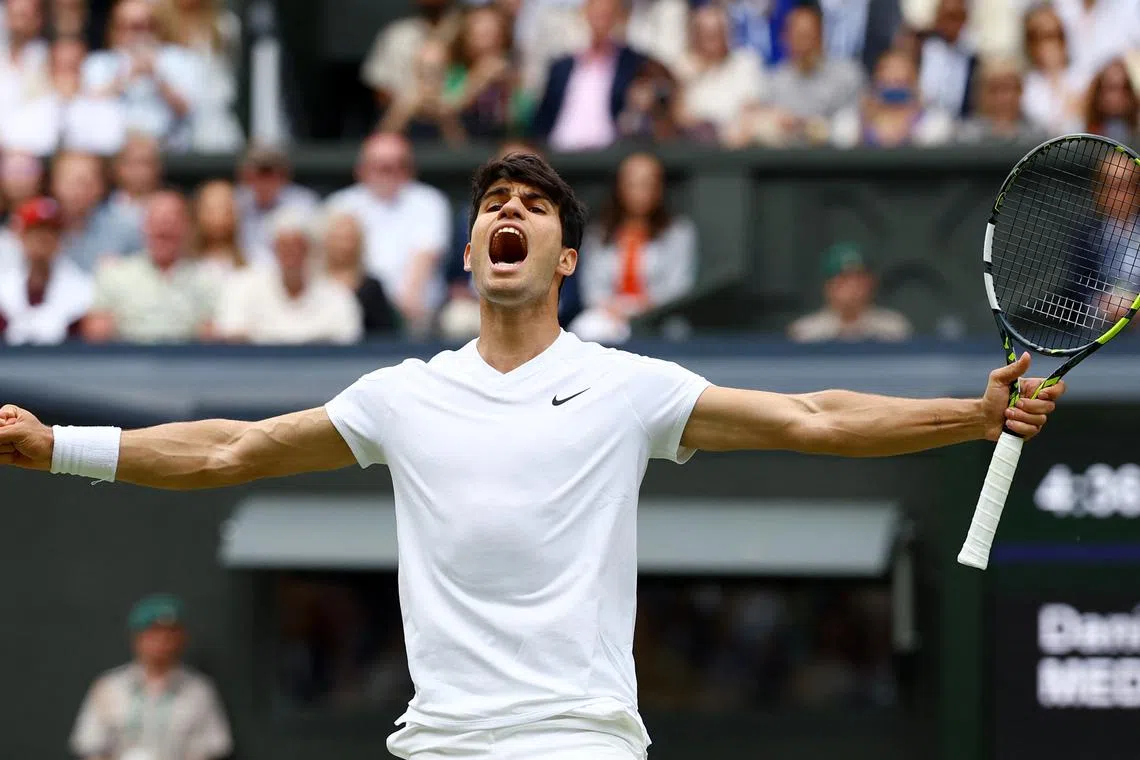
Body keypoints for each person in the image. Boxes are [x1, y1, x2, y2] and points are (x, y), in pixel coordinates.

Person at [0, 153, 1064, 760]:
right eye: (492, 208)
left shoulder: (628, 385)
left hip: (580, 742)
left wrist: (968, 419)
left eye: (536, 206)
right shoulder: (401, 395)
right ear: (470, 253)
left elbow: (816, 417)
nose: (510, 212)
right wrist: (59, 447)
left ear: (565, 255)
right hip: (441, 742)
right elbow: (229, 447)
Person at [70, 594, 233, 760]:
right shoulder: (108, 687)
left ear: (182, 638)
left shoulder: (200, 690)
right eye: (154, 633)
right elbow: (90, 746)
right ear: (137, 638)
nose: (163, 641)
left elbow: (211, 748)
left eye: (171, 634)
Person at [326, 132, 450, 335]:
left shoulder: (428, 201)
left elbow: (424, 259)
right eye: (379, 166)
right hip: (353, 304)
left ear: (409, 169)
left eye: (396, 165)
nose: (387, 172)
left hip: (413, 312)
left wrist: (402, 312)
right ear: (361, 169)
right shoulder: (341, 204)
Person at [569, 151, 696, 344]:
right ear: (619, 186)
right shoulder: (598, 233)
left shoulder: (678, 232)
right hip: (609, 315)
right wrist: (614, 310)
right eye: (633, 183)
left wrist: (645, 308)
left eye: (647, 183)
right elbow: (591, 288)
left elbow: (679, 286)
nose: (640, 191)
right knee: (584, 330)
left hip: (658, 317)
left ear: (659, 187)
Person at [214, 208, 363, 345]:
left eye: (298, 246)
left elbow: (347, 339)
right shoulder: (242, 287)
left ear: (309, 249)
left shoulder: (337, 295)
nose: (291, 254)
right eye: (284, 247)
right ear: (273, 249)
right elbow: (231, 333)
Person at [82, 190, 214, 344]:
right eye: (157, 221)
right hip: (127, 361)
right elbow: (97, 334)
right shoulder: (114, 274)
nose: (164, 227)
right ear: (144, 226)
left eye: (171, 221)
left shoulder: (206, 279)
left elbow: (212, 338)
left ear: (186, 227)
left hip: (187, 362)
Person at [728, 3, 863, 148]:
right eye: (798, 36)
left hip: (834, 161)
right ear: (786, 38)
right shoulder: (774, 80)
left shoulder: (847, 75)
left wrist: (805, 125)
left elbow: (850, 128)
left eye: (809, 36)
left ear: (822, 37)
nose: (804, 45)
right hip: (785, 161)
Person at [81, 0, 203, 151]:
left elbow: (189, 109)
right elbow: (86, 106)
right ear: (115, 29)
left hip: (168, 149)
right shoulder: (98, 62)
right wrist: (125, 77)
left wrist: (157, 76)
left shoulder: (178, 59)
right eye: (129, 26)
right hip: (114, 150)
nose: (137, 34)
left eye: (143, 26)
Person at [532, 0, 646, 152]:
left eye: (607, 15)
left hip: (609, 154)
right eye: (596, 15)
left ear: (619, 18)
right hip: (559, 151)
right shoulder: (561, 66)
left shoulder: (633, 64)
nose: (601, 22)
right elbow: (544, 115)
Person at [0, 196, 92, 344]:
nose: (41, 240)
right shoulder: (4, 285)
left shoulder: (82, 287)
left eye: (50, 232)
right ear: (21, 236)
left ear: (61, 238)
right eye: (34, 232)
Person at [787, 242, 912, 343]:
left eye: (859, 278)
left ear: (871, 283)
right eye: (843, 279)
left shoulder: (894, 328)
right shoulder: (805, 332)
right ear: (828, 286)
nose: (852, 286)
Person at [831, 48, 954, 148]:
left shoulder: (935, 123)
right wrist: (865, 123)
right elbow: (843, 140)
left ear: (915, 84)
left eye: (900, 82)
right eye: (887, 82)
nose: (893, 87)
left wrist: (907, 127)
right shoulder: (850, 121)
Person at [52, 151, 143, 273]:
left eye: (83, 183)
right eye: (68, 182)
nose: (75, 191)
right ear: (54, 184)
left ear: (100, 186)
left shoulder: (128, 227)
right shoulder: (40, 226)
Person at [234, 142, 320, 260]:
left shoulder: (303, 203)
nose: (263, 179)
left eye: (269, 171)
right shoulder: (234, 203)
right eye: (258, 172)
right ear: (245, 174)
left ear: (284, 174)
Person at [322, 209, 399, 336]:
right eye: (337, 238)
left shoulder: (372, 287)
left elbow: (385, 336)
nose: (343, 246)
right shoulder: (312, 283)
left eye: (348, 239)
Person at [1020, 4, 1084, 136]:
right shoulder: (1023, 83)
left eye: (1054, 36)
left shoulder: (1082, 77)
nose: (1049, 45)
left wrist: (1056, 74)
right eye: (1040, 37)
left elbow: (1072, 123)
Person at [956, 57, 1049, 144]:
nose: (1001, 98)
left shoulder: (1038, 136)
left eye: (1008, 88)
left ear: (1020, 91)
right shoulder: (965, 137)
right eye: (994, 89)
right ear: (980, 94)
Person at [190, 179, 245, 291]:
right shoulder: (184, 265)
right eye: (212, 210)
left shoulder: (253, 264)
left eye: (225, 209)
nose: (219, 217)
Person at [1083, 59, 1139, 145]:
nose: (1118, 95)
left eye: (1125, 87)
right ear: (1099, 92)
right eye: (1112, 88)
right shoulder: (1081, 131)